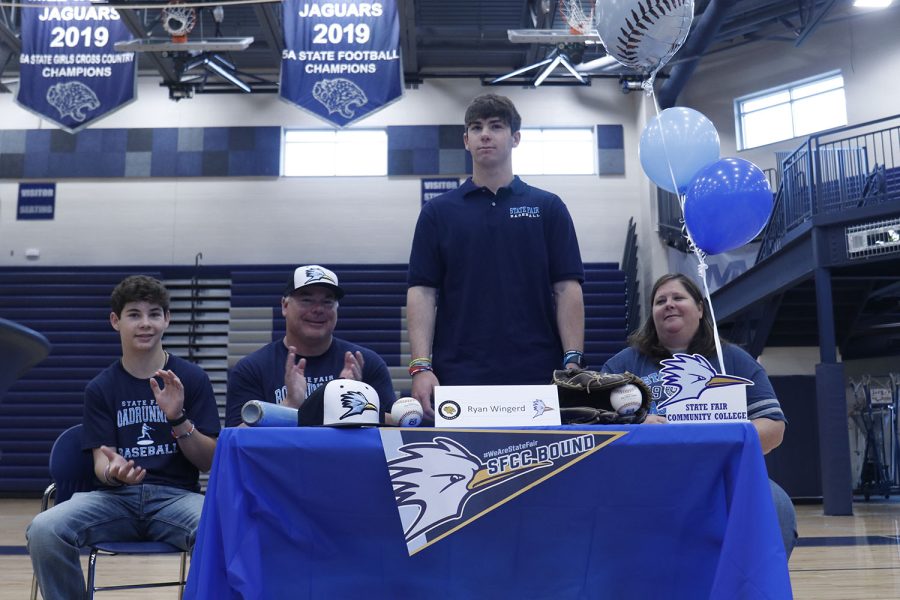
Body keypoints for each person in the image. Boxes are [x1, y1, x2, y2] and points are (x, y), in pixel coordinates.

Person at [27, 275, 220, 599]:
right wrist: (115, 473)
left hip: (177, 497)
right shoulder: (101, 388)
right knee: (45, 530)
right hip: (113, 500)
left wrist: (177, 417)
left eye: (154, 313)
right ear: (116, 321)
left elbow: (209, 461)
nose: (145, 323)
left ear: (167, 319)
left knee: (220, 528)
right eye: (134, 314)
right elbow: (103, 462)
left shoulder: (191, 379)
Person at [406, 93, 585, 417]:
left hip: (538, 375)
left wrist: (572, 360)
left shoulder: (548, 207)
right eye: (476, 128)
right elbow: (422, 292)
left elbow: (566, 288)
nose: (485, 134)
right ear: (466, 140)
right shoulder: (437, 212)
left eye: (496, 126)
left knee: (542, 466)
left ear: (515, 138)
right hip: (458, 375)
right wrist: (421, 367)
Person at [601, 273, 798, 559]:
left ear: (700, 308)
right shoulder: (625, 363)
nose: (668, 305)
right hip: (646, 480)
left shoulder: (732, 359)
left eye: (678, 298)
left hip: (724, 476)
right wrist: (636, 424)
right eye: (660, 301)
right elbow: (590, 415)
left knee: (777, 507)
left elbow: (773, 427)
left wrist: (726, 437)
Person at [225, 265, 396, 426]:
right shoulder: (252, 368)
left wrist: (353, 398)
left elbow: (396, 426)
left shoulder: (365, 363)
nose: (318, 309)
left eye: (327, 302)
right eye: (306, 300)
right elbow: (235, 442)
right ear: (284, 306)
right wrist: (289, 405)